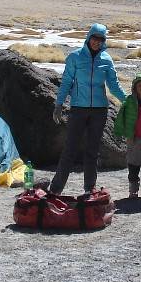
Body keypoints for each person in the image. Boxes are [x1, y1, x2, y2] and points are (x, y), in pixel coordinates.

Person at [50, 23, 126, 195]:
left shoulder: (106, 59)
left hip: (99, 111)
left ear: (104, 41)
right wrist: (59, 104)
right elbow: (67, 83)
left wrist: (128, 100)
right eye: (94, 38)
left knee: (92, 151)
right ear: (88, 37)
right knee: (70, 149)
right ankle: (55, 189)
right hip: (78, 109)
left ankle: (89, 188)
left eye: (100, 39)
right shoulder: (75, 57)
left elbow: (113, 85)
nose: (96, 42)